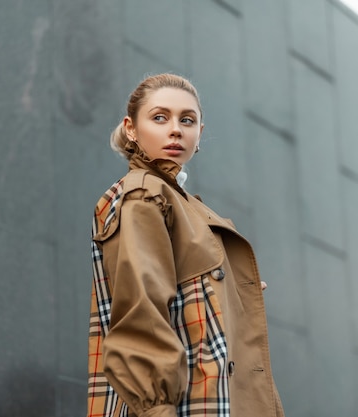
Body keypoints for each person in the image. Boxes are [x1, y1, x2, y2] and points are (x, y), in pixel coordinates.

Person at [87, 73, 284, 417]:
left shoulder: (187, 205)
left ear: (200, 134)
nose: (176, 129)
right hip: (187, 404)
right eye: (160, 117)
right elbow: (141, 311)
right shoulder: (144, 194)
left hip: (217, 398)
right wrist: (157, 409)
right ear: (131, 128)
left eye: (187, 120)